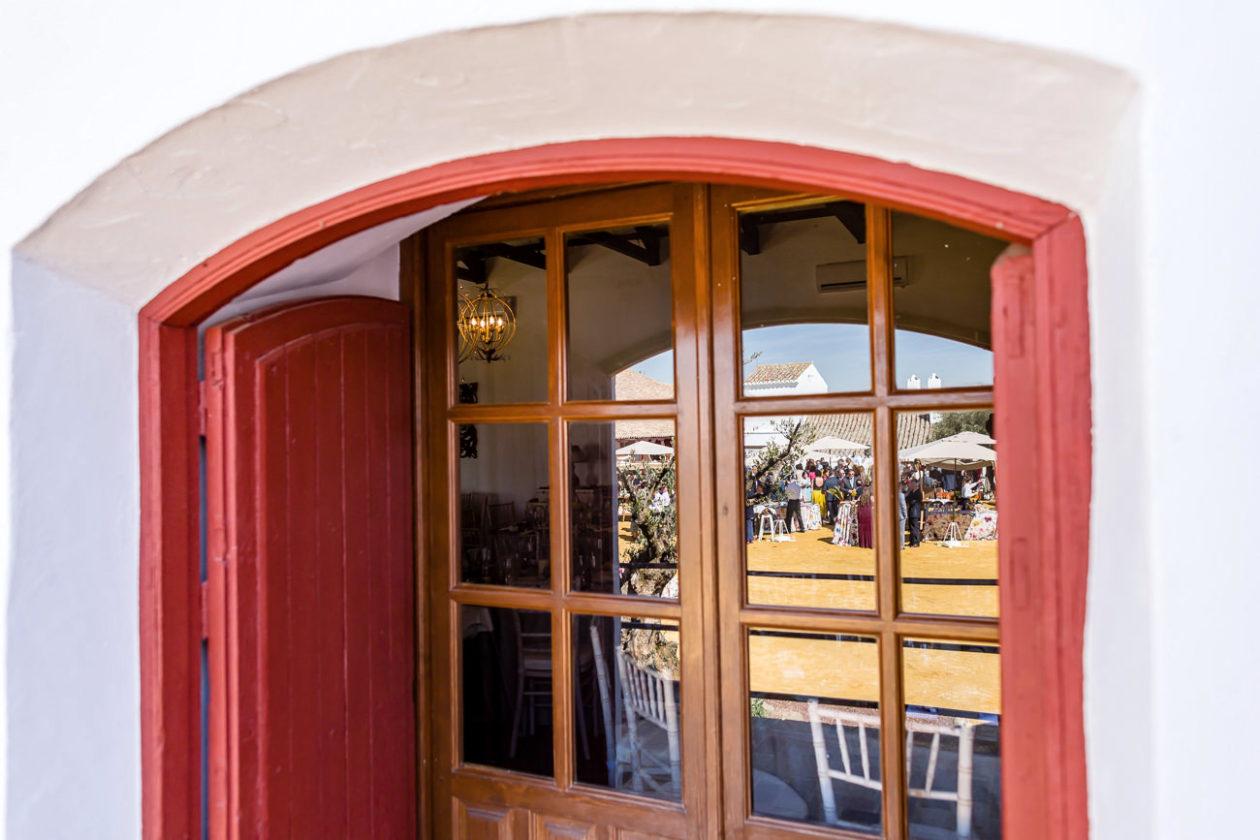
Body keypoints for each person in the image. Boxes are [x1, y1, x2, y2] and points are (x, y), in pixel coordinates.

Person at [905, 478, 924, 547]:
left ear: (915, 484)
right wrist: (908, 493)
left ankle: (916, 542)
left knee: (915, 528)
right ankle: (912, 542)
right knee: (911, 527)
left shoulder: (918, 492)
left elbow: (915, 502)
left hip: (915, 512)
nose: (910, 485)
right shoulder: (911, 492)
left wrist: (910, 500)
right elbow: (906, 499)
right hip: (911, 511)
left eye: (912, 484)